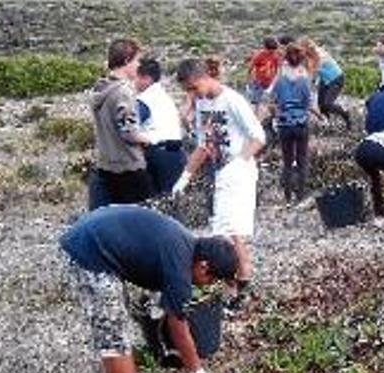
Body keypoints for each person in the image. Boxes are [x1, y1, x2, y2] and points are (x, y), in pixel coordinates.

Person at [60, 205, 238, 373]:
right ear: (204, 267)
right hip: (89, 254)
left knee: (115, 334)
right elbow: (178, 327)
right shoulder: (180, 268)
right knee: (116, 341)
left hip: (97, 242)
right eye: (212, 281)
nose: (206, 286)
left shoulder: (186, 245)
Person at [173, 57, 266, 289]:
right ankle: (234, 282)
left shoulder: (232, 100)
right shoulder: (202, 104)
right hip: (219, 174)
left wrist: (240, 162)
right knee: (223, 231)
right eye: (188, 91)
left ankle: (240, 283)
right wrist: (185, 176)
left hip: (239, 174)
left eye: (194, 88)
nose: (193, 95)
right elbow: (204, 145)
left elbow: (258, 137)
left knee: (232, 232)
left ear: (205, 77)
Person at [88, 38, 153, 210]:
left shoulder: (99, 88)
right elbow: (128, 132)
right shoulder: (124, 91)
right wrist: (148, 139)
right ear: (126, 60)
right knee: (141, 219)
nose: (139, 65)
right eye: (136, 60)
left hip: (106, 165)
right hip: (129, 166)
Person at [271, 44, 319, 204]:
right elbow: (309, 104)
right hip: (301, 123)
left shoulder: (279, 79)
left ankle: (287, 196)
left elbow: (273, 102)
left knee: (287, 161)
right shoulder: (304, 78)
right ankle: (300, 195)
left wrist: (276, 115)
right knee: (302, 159)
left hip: (284, 124)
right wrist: (320, 116)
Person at [134, 57, 186, 195]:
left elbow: (130, 127)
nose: (134, 82)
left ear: (146, 78)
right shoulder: (164, 97)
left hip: (157, 154)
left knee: (154, 201)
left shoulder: (145, 100)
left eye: (136, 78)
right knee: (171, 200)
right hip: (175, 153)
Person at [300, 38, 352, 129]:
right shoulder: (310, 55)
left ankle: (345, 114)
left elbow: (311, 72)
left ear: (307, 49)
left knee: (328, 103)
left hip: (336, 78)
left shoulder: (320, 55)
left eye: (303, 50)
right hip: (325, 80)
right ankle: (327, 123)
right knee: (321, 105)